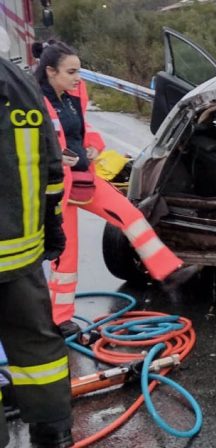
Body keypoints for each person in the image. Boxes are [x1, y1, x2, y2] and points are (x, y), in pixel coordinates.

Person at [33, 41, 199, 337]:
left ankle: (168, 272)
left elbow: (84, 132)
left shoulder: (73, 98)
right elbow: (35, 147)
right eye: (71, 72)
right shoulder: (35, 103)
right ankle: (60, 319)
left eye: (79, 71)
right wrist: (58, 157)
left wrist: (93, 147)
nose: (77, 78)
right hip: (59, 189)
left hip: (84, 179)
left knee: (131, 216)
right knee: (66, 258)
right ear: (50, 71)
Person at [0, 27, 73, 448]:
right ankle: (54, 435)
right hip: (21, 259)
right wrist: (53, 229)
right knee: (38, 350)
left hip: (22, 256)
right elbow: (51, 170)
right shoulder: (24, 88)